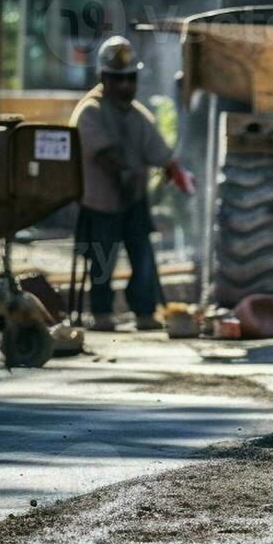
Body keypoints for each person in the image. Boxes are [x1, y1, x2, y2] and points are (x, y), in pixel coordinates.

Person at [73, 36, 194, 332]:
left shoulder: (139, 117)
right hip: (100, 203)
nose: (126, 86)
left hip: (133, 201)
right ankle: (101, 314)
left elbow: (161, 153)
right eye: (119, 80)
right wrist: (126, 174)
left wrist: (179, 174)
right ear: (104, 77)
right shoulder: (90, 111)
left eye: (130, 79)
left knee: (142, 258)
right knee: (102, 260)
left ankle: (144, 312)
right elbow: (104, 154)